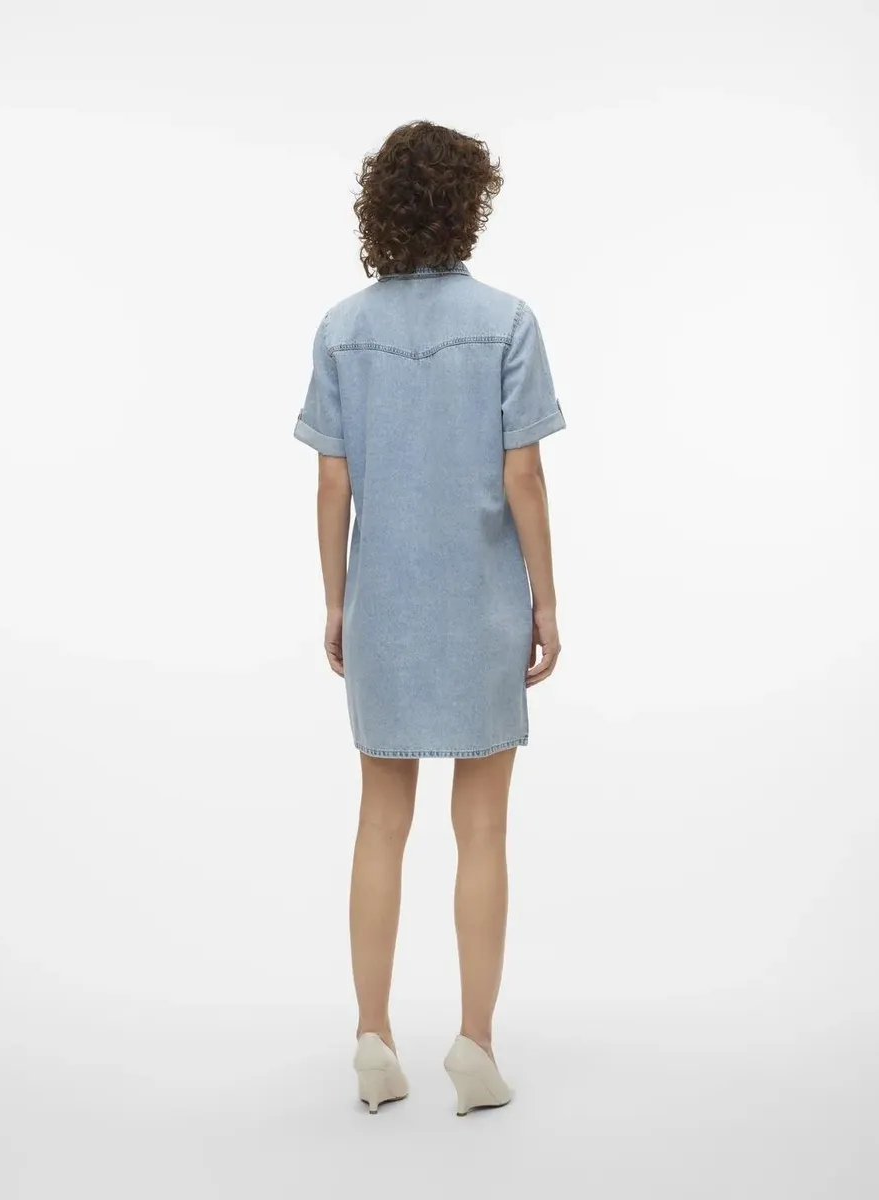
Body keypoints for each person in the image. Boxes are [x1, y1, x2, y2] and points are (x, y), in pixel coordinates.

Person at [293, 120, 565, 1116]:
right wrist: (546, 599)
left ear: (381, 211)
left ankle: (372, 1039)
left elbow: (333, 484)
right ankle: (475, 1046)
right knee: (481, 827)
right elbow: (524, 475)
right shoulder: (508, 322)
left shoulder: (341, 329)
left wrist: (337, 599)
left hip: (384, 608)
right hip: (482, 606)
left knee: (380, 821)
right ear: (469, 207)